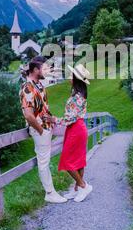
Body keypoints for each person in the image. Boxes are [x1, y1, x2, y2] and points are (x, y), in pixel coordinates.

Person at [19, 56, 67, 204]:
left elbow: (44, 108)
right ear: (35, 70)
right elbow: (28, 115)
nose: (46, 71)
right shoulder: (27, 88)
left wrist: (52, 121)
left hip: (48, 126)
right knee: (43, 161)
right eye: (44, 68)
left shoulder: (39, 85)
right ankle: (50, 193)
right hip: (40, 129)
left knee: (71, 134)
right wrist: (40, 130)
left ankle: (78, 182)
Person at [51, 64, 92, 203]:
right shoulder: (78, 94)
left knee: (68, 161)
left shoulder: (77, 97)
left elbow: (70, 118)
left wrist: (53, 119)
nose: (69, 77)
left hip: (76, 129)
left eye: (72, 75)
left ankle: (83, 186)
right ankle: (77, 189)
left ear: (76, 79)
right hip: (76, 128)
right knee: (78, 161)